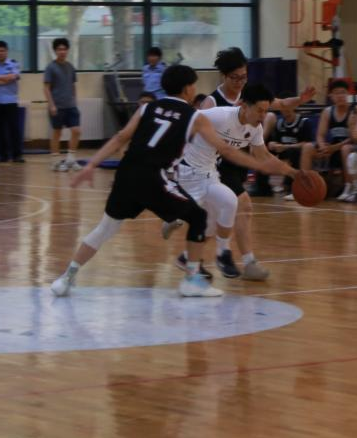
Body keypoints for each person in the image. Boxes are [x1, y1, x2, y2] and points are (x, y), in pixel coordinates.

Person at [50, 65, 293, 298]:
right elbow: (226, 150)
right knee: (198, 218)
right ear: (187, 89)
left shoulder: (147, 108)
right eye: (193, 85)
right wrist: (261, 165)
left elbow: (120, 137)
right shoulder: (194, 117)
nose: (194, 89)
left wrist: (91, 164)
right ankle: (192, 280)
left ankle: (67, 277)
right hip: (155, 178)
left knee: (105, 228)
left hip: (126, 176)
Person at [200, 47, 313, 280]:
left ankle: (191, 259)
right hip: (213, 164)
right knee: (243, 206)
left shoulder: (253, 100)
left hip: (236, 164)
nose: (240, 82)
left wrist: (300, 100)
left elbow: (279, 105)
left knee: (214, 218)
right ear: (224, 76)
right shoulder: (212, 103)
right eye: (235, 78)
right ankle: (241, 260)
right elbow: (194, 129)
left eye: (244, 76)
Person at [175, 85, 298, 280]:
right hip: (188, 169)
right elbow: (188, 119)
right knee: (229, 205)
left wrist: (293, 173)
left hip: (210, 172)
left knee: (217, 215)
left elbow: (263, 156)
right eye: (259, 110)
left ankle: (192, 258)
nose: (263, 116)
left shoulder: (255, 128)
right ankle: (220, 252)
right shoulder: (220, 115)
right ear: (244, 106)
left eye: (266, 111)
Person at [259, 96, 314, 200]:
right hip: (284, 153)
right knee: (263, 150)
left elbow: (307, 144)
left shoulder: (304, 122)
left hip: (300, 154)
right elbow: (275, 141)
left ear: (295, 106)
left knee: (294, 152)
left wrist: (286, 146)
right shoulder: (279, 123)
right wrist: (272, 144)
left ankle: (296, 187)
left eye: (289, 106)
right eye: (283, 107)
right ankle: (262, 187)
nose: (286, 109)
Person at [44, 38, 81, 172]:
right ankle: (55, 162)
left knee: (76, 131)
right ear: (55, 51)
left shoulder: (70, 67)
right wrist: (51, 105)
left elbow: (73, 85)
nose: (62, 51)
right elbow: (46, 88)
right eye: (59, 49)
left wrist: (75, 100)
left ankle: (71, 159)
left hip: (70, 106)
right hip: (57, 106)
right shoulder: (50, 67)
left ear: (67, 50)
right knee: (57, 133)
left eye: (64, 49)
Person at [317, 79, 357, 187]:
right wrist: (322, 147)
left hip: (351, 146)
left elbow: (355, 138)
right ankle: (304, 185)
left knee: (345, 149)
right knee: (308, 148)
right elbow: (320, 135)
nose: (340, 96)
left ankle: (349, 186)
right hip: (333, 147)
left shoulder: (356, 110)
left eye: (343, 92)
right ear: (331, 96)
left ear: (348, 94)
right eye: (336, 93)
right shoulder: (327, 112)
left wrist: (335, 147)